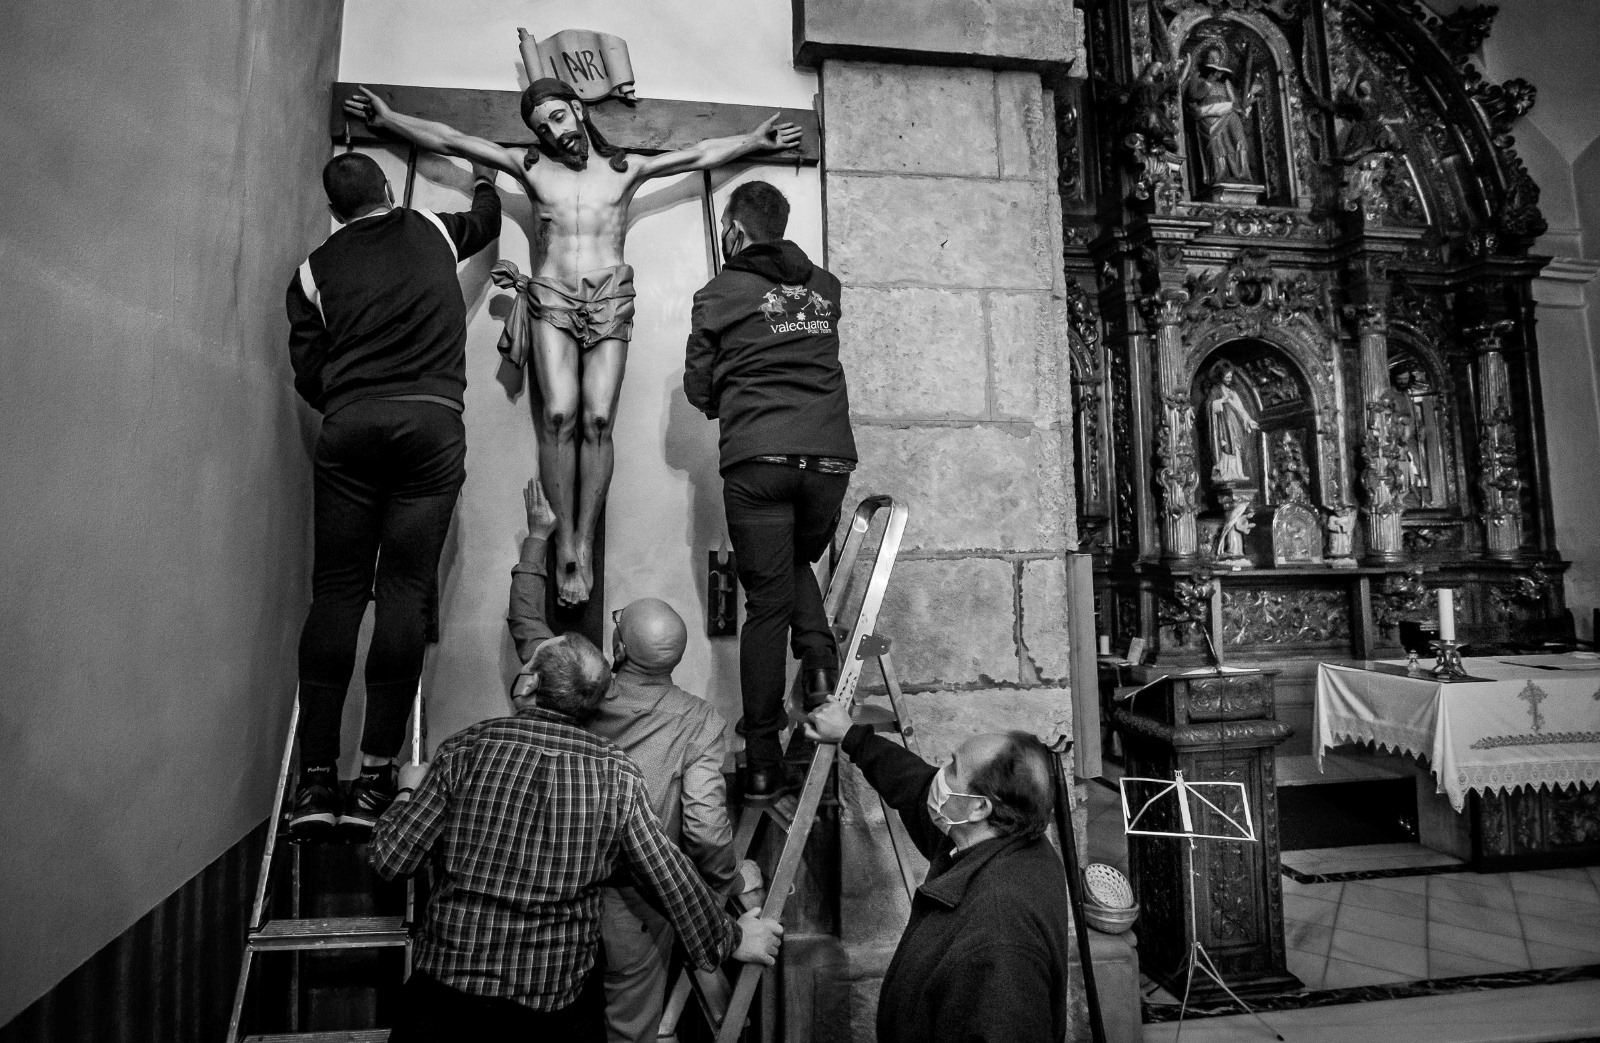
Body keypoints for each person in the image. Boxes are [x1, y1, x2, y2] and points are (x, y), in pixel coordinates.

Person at [344, 75, 801, 607]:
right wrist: (387, 120)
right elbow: (451, 140)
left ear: (578, 111)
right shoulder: (531, 169)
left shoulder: (625, 169)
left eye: (559, 117)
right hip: (553, 298)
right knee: (558, 416)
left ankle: (581, 542)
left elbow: (697, 154)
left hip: (609, 297)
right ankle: (563, 544)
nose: (555, 131)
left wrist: (752, 141)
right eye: (543, 127)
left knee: (599, 420)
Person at [369, 620, 783, 1041]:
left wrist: (407, 790)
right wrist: (731, 938)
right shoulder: (615, 774)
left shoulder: (465, 749)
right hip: (550, 1006)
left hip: (445, 994)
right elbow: (666, 873)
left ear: (528, 686)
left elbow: (390, 860)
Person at [285, 152, 501, 837]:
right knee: (404, 590)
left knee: (338, 592)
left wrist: (352, 403)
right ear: (386, 191)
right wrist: (483, 175)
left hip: (350, 428)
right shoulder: (433, 230)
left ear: (336, 210)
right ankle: (377, 778)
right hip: (430, 424)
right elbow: (487, 221)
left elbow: (309, 371)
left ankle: (316, 781)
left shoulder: (312, 271)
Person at [507, 477, 758, 1043]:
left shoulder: (577, 683)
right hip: (637, 901)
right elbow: (705, 826)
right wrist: (718, 890)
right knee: (631, 1031)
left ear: (618, 648)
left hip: (550, 887)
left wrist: (537, 540)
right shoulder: (698, 720)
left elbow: (526, 625)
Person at [684, 180, 857, 802]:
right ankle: (817, 666)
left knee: (765, 603)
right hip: (829, 460)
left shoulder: (718, 293)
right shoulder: (825, 288)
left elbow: (699, 389)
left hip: (759, 460)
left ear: (733, 228)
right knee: (791, 567)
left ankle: (760, 760)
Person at [802, 701, 1072, 1043]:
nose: (939, 774)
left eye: (952, 768)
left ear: (978, 807)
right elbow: (913, 784)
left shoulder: (1001, 931)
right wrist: (851, 736)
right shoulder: (993, 841)